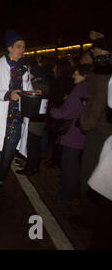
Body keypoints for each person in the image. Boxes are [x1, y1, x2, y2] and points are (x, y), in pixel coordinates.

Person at [0, 30, 32, 204]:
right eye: (19, 46)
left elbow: (27, 91)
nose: (22, 50)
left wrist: (32, 94)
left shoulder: (24, 69)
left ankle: (0, 182)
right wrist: (8, 95)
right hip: (0, 119)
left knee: (8, 157)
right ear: (10, 48)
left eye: (24, 47)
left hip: (16, 120)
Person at [75, 36, 112, 226]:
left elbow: (96, 103)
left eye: (95, 50)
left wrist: (85, 124)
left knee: (88, 174)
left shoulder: (103, 74)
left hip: (99, 132)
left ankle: (89, 217)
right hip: (106, 130)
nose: (93, 53)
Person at [49, 64, 89, 201]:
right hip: (79, 132)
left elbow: (66, 112)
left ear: (84, 75)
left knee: (69, 164)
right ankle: (71, 190)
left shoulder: (80, 89)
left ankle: (68, 193)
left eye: (76, 73)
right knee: (73, 163)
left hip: (73, 134)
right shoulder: (87, 88)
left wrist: (53, 110)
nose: (73, 76)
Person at [16, 60, 50, 175]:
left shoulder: (35, 86)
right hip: (39, 122)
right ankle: (34, 167)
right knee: (35, 145)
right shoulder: (44, 84)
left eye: (29, 73)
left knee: (32, 146)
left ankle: (30, 168)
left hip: (34, 122)